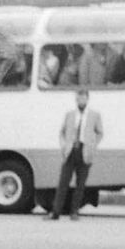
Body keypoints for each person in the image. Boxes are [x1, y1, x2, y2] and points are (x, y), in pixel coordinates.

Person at [48, 87, 103, 221]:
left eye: (84, 98)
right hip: (70, 151)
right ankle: (56, 212)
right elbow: (62, 132)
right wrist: (63, 145)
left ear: (87, 99)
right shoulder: (70, 114)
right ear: (76, 99)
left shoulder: (94, 115)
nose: (81, 100)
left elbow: (100, 132)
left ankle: (74, 212)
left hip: (85, 152)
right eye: (79, 98)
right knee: (63, 183)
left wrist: (92, 145)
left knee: (80, 185)